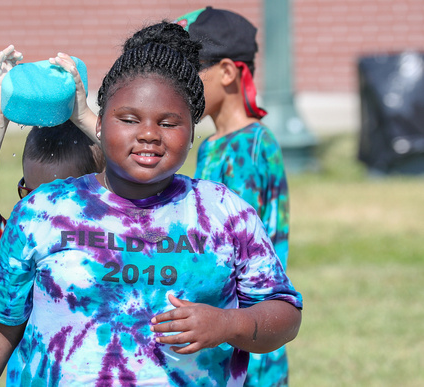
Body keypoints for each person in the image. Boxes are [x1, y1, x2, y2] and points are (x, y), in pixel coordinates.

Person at [0, 21, 302, 386]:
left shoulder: (225, 213)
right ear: (99, 123)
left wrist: (229, 324)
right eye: (129, 119)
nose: (149, 134)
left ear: (192, 132)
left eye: (169, 122)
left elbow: (284, 313)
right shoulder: (42, 212)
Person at [175, 7, 291, 386]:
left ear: (227, 72)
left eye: (191, 72)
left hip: (246, 347)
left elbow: (232, 251)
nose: (180, 84)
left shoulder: (251, 148)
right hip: (219, 335)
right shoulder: (214, 145)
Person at [0, 45, 105, 292]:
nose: (41, 207)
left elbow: (131, 168)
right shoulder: (24, 249)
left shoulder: (121, 239)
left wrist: (83, 117)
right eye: (31, 194)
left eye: (58, 196)